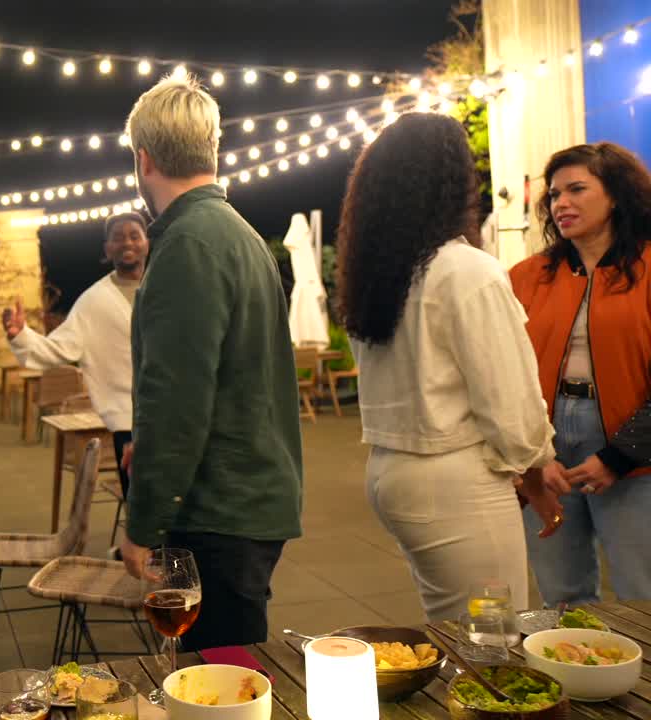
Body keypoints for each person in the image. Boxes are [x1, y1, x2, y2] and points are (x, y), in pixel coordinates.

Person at [338, 112, 561, 622]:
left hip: (391, 472)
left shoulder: (380, 277)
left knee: (455, 630)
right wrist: (535, 469)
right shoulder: (466, 270)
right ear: (454, 184)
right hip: (453, 478)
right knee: (493, 642)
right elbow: (510, 403)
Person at [118, 74, 303, 649]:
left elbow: (176, 402)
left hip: (218, 508)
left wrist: (143, 524)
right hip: (247, 496)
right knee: (227, 674)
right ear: (211, 150)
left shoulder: (186, 247)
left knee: (220, 688)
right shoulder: (238, 234)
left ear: (144, 160)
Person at [511, 142, 651, 605]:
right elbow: (506, 374)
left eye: (577, 189)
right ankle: (578, 675)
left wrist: (619, 456)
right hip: (546, 442)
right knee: (561, 592)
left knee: (642, 590)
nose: (562, 203)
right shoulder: (527, 277)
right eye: (554, 194)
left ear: (616, 195)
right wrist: (533, 455)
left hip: (634, 449)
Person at [2, 212, 149, 499]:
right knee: (143, 507)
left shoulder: (167, 287)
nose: (127, 242)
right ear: (107, 248)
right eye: (117, 237)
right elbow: (57, 349)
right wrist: (20, 335)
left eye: (134, 235)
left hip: (179, 417)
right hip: (128, 423)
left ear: (147, 242)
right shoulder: (95, 302)